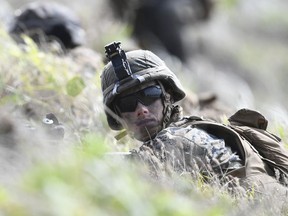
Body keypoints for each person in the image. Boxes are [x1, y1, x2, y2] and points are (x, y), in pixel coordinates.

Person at [101, 41, 288, 197]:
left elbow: (115, 167)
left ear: (167, 96)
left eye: (150, 94)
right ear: (118, 115)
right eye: (127, 104)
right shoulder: (190, 129)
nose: (141, 110)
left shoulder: (182, 138)